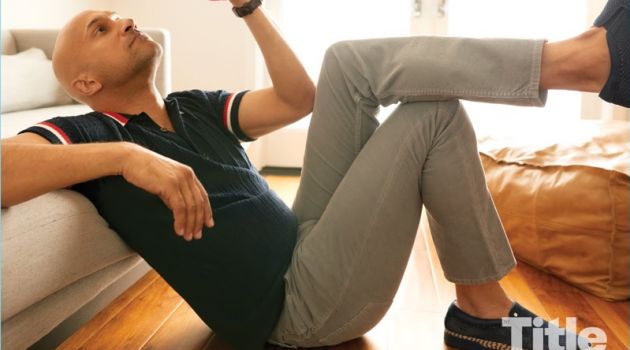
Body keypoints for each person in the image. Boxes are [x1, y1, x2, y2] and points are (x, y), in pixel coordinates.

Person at [2, 0, 626, 348]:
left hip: (307, 242)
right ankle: (485, 312)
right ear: (85, 84)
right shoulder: (90, 133)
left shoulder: (191, 105)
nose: (125, 21)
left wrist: (251, 11)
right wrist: (127, 157)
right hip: (296, 310)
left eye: (118, 15)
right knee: (430, 115)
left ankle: (480, 308)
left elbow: (300, 98)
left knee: (351, 64)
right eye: (102, 29)